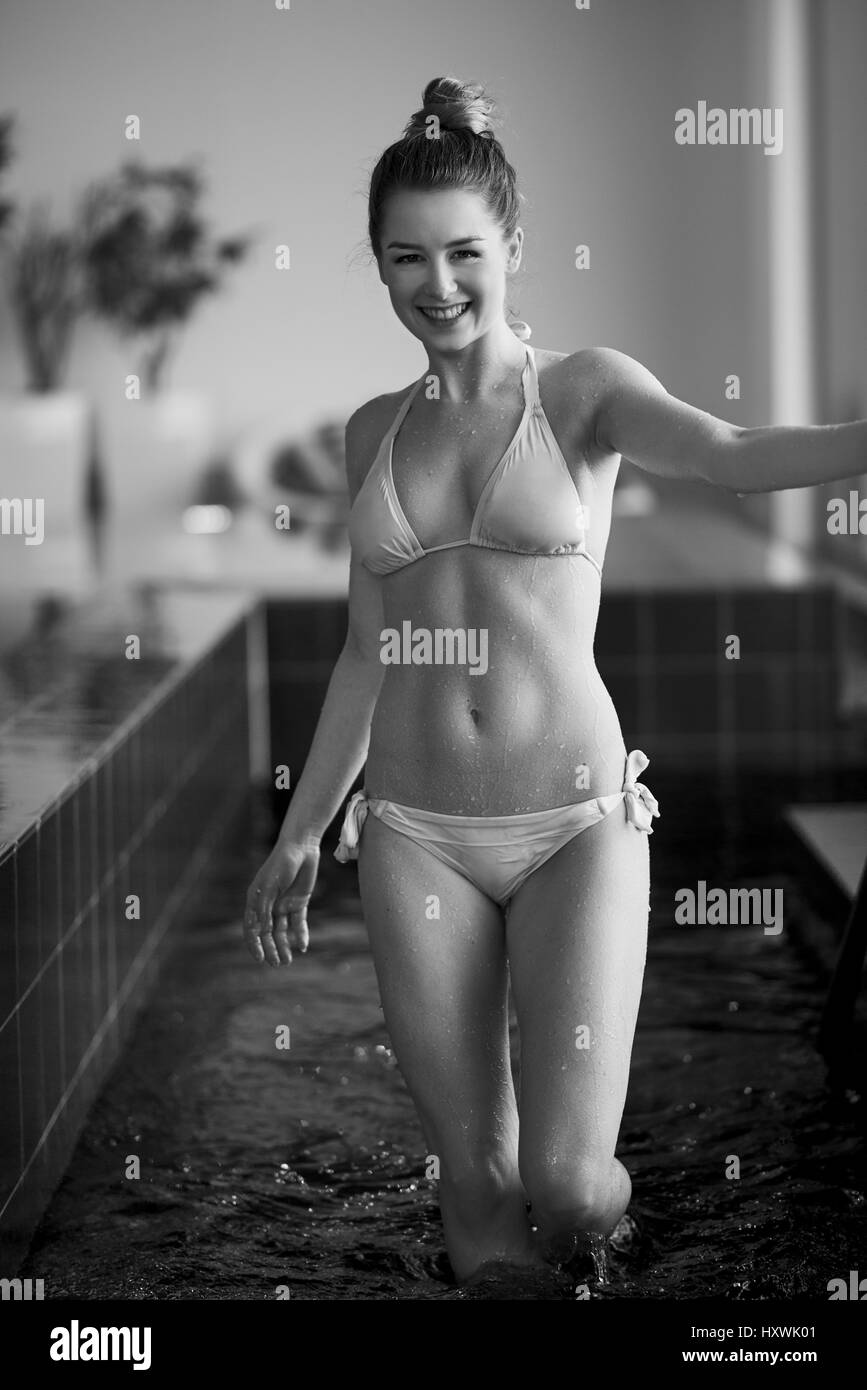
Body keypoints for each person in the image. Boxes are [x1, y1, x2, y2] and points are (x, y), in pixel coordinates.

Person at [244, 76, 867, 1291]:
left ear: (513, 247)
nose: (439, 285)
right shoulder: (372, 433)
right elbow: (369, 649)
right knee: (480, 1207)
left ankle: (606, 1247)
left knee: (573, 1192)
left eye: (466, 253)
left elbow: (733, 457)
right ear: (375, 265)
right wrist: (302, 830)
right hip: (418, 831)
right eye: (405, 258)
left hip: (573, 823)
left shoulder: (581, 393)